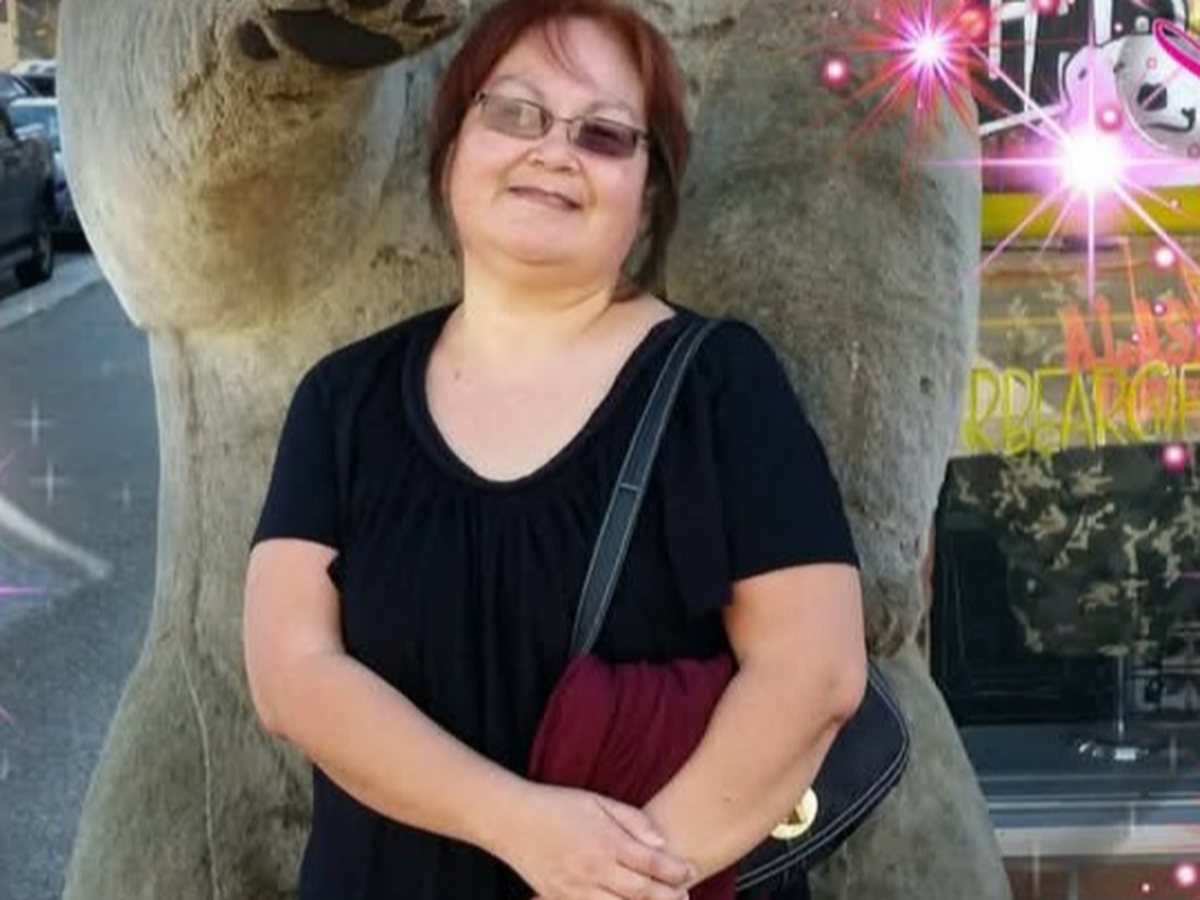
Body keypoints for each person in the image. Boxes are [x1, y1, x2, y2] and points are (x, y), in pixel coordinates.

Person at [242, 1, 867, 898]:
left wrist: (619, 884)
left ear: (648, 195)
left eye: (604, 133)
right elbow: (291, 671)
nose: (554, 151)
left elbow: (815, 673)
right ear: (451, 146)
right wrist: (520, 826)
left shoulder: (722, 387)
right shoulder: (343, 401)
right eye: (515, 112)